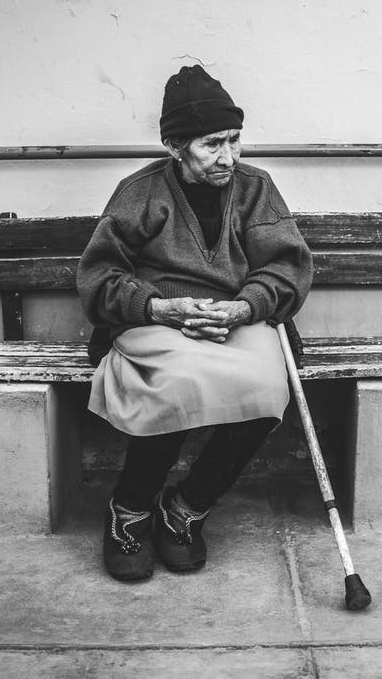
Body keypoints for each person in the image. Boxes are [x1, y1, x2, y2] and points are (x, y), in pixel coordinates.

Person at [77, 65, 313, 582]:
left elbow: (286, 267)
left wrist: (244, 306)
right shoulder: (139, 192)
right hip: (156, 318)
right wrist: (161, 309)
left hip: (236, 317)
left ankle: (186, 508)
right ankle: (130, 511)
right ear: (174, 147)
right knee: (176, 385)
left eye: (233, 140)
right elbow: (100, 277)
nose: (228, 157)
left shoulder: (255, 189)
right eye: (212, 144)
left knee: (268, 387)